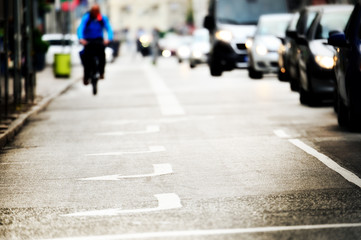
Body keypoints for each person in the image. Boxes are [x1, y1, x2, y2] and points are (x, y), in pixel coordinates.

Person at [77, 4, 113, 85]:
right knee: (86, 59)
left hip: (98, 40)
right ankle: (86, 77)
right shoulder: (87, 17)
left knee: (102, 56)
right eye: (94, 11)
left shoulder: (102, 18)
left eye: (97, 11)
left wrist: (109, 39)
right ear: (91, 11)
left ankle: (101, 72)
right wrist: (81, 38)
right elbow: (81, 28)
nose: (95, 13)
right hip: (88, 40)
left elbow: (109, 28)